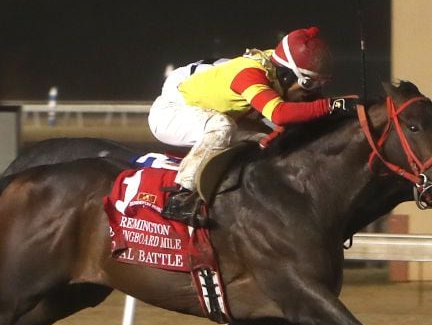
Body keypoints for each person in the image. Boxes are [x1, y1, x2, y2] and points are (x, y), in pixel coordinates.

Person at [148, 26, 353, 225]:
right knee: (222, 127)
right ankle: (181, 197)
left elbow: (300, 116)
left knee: (266, 139)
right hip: (171, 112)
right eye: (308, 85)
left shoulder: (278, 66)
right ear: (286, 74)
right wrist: (332, 105)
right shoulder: (250, 75)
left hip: (207, 99)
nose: (312, 93)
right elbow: (280, 114)